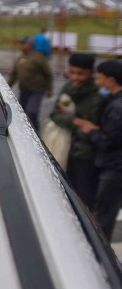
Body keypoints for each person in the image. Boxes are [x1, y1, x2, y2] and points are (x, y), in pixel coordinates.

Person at [48, 53, 104, 208]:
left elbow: (97, 130)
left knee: (85, 202)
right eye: (72, 72)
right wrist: (76, 121)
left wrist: (81, 127)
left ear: (91, 73)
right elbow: (55, 114)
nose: (75, 77)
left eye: (80, 73)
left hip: (87, 156)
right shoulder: (68, 88)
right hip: (64, 151)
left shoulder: (99, 95)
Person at [74, 60, 122, 239]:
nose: (97, 79)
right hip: (113, 165)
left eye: (100, 76)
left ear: (111, 80)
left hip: (114, 168)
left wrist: (89, 130)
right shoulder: (113, 101)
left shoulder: (117, 108)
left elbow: (108, 141)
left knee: (104, 215)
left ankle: (101, 259)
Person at [7, 36, 53, 130]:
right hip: (24, 91)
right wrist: (7, 87)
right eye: (21, 44)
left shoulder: (39, 57)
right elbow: (13, 75)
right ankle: (23, 131)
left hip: (37, 91)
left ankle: (35, 132)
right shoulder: (19, 59)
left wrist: (49, 89)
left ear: (31, 45)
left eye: (24, 44)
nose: (22, 46)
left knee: (32, 112)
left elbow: (48, 74)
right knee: (21, 114)